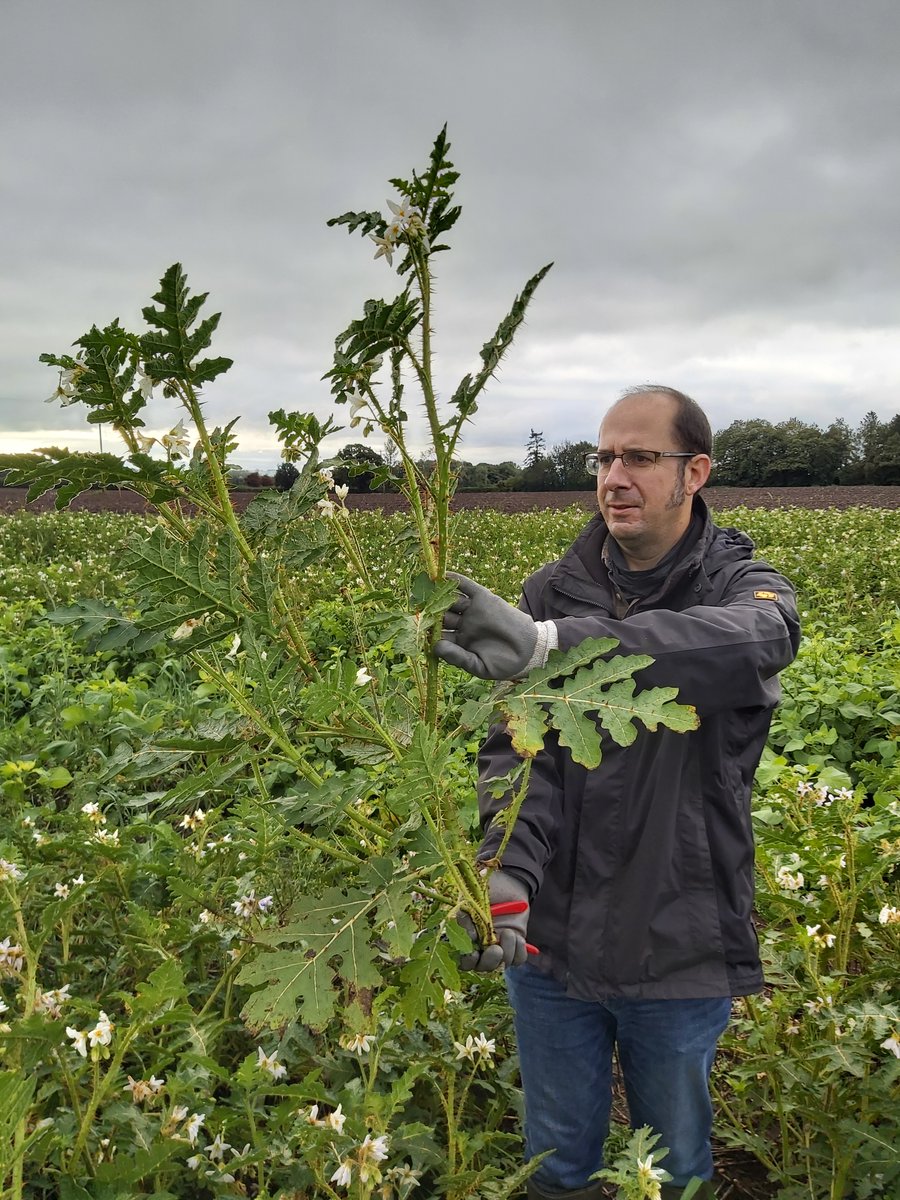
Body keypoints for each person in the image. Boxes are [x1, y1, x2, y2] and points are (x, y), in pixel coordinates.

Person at [435, 386, 800, 1199]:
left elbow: (754, 644)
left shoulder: (746, 589)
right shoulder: (548, 591)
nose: (615, 477)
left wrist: (556, 648)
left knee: (671, 1169)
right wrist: (505, 869)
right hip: (552, 943)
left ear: (694, 472)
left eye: (640, 457)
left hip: (680, 936)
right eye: (603, 457)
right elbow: (518, 754)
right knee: (559, 1164)